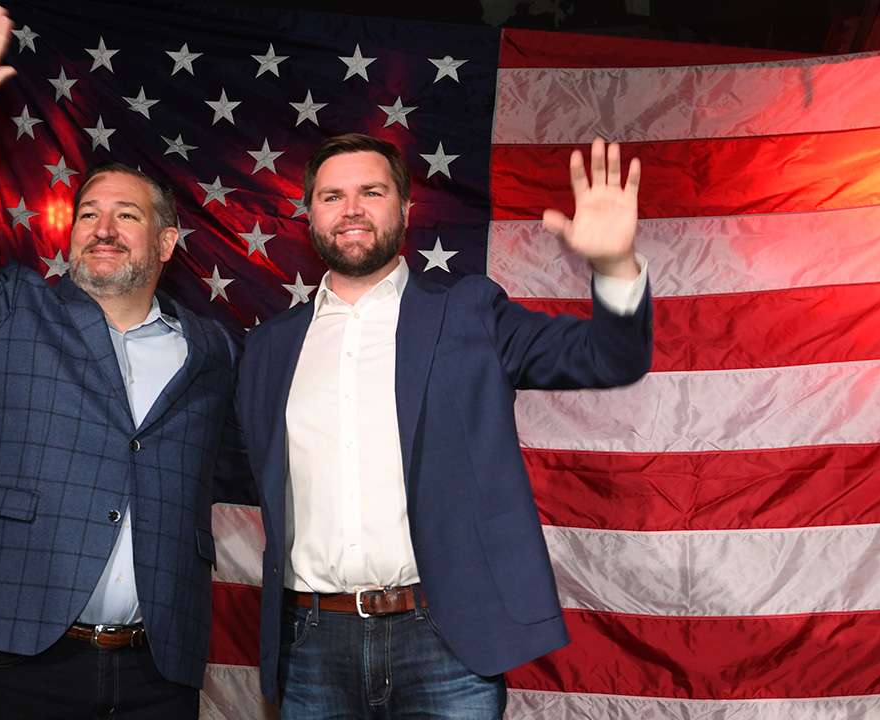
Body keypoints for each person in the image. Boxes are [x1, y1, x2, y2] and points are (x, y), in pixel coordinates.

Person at [0, 5, 241, 718]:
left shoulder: (213, 348)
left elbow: (258, 462)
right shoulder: (7, 310)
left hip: (156, 669)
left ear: (166, 244)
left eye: (127, 215)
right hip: (16, 656)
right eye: (89, 212)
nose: (102, 227)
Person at [235, 133, 653, 718]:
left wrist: (615, 266)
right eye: (332, 196)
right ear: (311, 215)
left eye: (371, 192)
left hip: (445, 641)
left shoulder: (470, 313)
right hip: (311, 648)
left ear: (405, 210)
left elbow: (609, 357)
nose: (351, 208)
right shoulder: (268, 349)